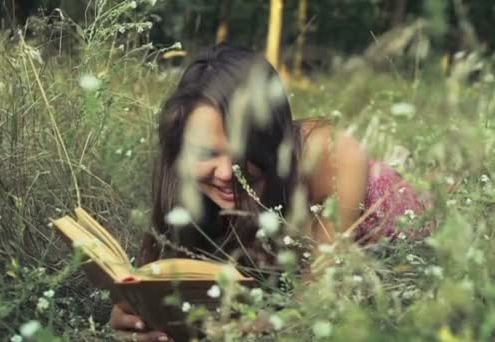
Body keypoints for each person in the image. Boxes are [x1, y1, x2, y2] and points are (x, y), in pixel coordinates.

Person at [109, 44, 432, 341]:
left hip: (405, 244)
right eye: (206, 154)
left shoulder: (331, 154)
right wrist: (137, 318)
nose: (225, 172)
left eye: (242, 150)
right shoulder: (185, 178)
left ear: (270, 140)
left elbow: (317, 300)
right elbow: (152, 277)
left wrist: (235, 330)